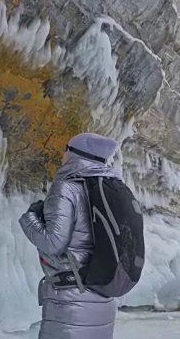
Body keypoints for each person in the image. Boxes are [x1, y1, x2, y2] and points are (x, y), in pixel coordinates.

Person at [19, 132, 121, 339]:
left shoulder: (67, 188)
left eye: (67, 149)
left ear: (76, 154)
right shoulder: (112, 189)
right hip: (103, 297)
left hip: (71, 300)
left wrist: (29, 218)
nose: (63, 155)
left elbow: (53, 244)